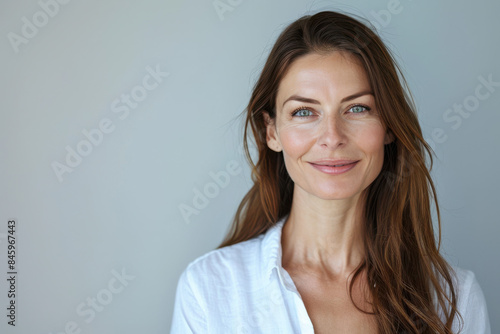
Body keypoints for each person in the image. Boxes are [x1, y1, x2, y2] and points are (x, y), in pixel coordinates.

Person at [170, 10, 491, 334]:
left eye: (357, 108)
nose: (333, 137)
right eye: (304, 112)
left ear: (389, 126)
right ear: (272, 133)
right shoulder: (209, 289)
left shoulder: (455, 299)